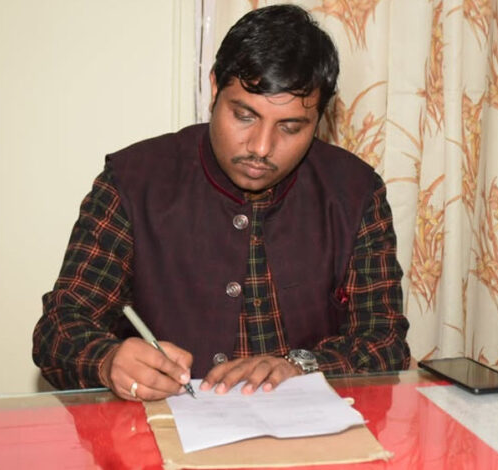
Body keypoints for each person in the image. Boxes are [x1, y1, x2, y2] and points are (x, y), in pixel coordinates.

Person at [32, 4, 410, 402]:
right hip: (163, 429)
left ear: (319, 120)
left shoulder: (355, 192)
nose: (261, 147)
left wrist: (302, 367)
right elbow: (59, 330)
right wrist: (107, 360)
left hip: (312, 431)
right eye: (244, 116)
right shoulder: (133, 182)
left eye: (290, 127)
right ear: (214, 88)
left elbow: (385, 343)